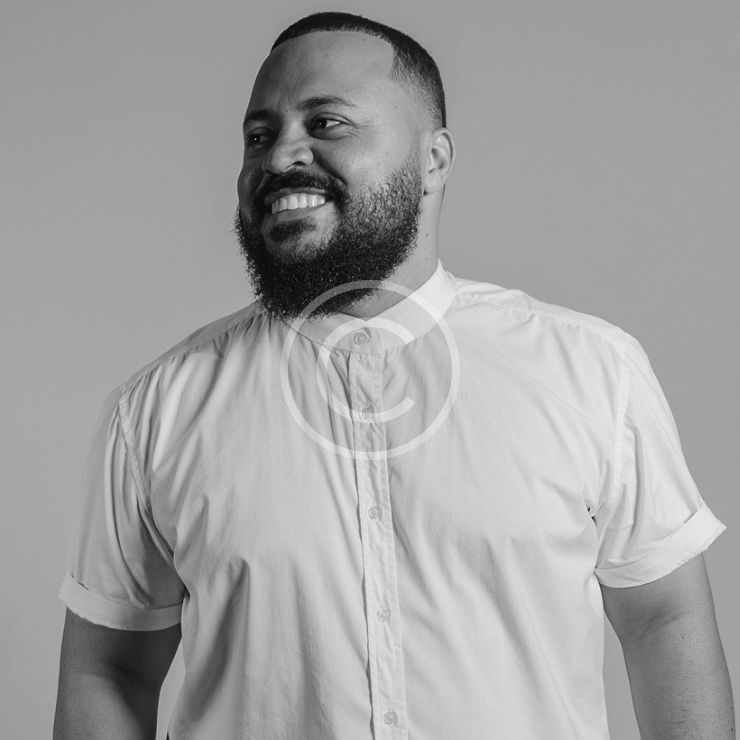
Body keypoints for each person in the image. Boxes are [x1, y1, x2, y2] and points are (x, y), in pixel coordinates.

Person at [54, 11, 734, 740]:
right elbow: (110, 671)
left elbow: (663, 621)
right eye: (258, 135)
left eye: (326, 123)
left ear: (433, 160)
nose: (280, 156)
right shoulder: (158, 411)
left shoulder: (591, 371)